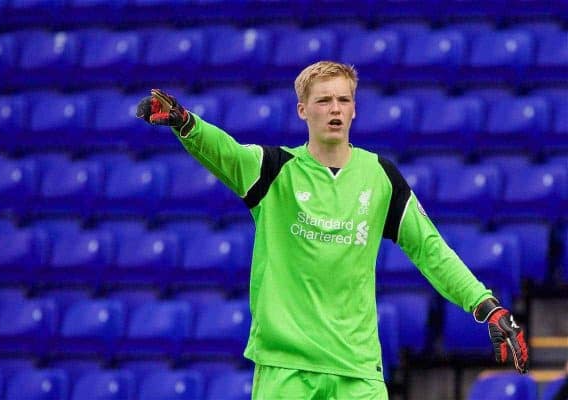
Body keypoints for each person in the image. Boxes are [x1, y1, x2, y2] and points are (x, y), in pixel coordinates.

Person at [136, 61, 529, 399]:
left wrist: (486, 306)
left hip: (357, 371)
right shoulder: (274, 170)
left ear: (355, 110)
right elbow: (227, 152)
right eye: (324, 100)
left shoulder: (381, 177)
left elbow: (431, 250)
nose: (335, 109)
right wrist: (186, 123)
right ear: (303, 110)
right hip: (285, 369)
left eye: (344, 100)